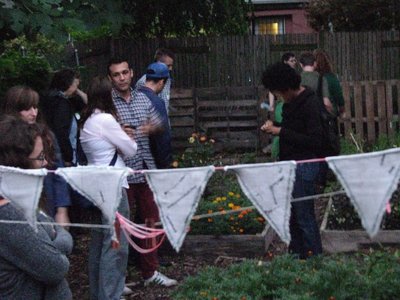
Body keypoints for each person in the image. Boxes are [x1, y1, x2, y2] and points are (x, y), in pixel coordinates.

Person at [109, 57, 178, 287]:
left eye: (125, 72)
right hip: (122, 174)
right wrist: (117, 132)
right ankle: (118, 279)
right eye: (116, 74)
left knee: (151, 221)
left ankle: (150, 272)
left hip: (146, 168)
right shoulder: (107, 103)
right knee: (120, 225)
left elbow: (160, 124)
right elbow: (94, 133)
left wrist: (152, 127)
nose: (121, 78)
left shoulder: (143, 97)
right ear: (111, 78)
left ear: (131, 73)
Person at [0, 115, 72, 299]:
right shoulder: (9, 214)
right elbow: (56, 268)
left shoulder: (20, 201)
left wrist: (54, 239)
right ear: (18, 163)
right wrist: (58, 237)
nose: (46, 163)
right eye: (40, 157)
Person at [79, 76, 138, 300]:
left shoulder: (87, 120)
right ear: (108, 95)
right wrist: (126, 136)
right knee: (116, 244)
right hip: (112, 186)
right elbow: (131, 150)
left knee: (98, 243)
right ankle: (111, 295)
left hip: (95, 186)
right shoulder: (105, 120)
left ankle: (98, 294)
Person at [261, 62, 323, 259]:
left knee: (304, 216)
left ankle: (315, 260)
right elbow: (294, 129)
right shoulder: (290, 103)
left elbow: (315, 140)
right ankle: (296, 256)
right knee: (292, 217)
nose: (278, 97)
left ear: (287, 88)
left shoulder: (310, 103)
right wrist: (276, 125)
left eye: (278, 93)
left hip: (305, 166)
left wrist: (280, 131)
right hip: (289, 165)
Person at [2, 85, 71, 225]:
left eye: (35, 107)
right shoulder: (4, 140)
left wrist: (62, 210)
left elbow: (58, 171)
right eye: (27, 108)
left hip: (47, 200)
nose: (34, 113)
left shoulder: (46, 135)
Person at [41, 68, 88, 167]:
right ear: (68, 84)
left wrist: (76, 90)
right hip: (63, 156)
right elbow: (61, 132)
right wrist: (68, 156)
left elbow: (86, 102)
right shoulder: (62, 104)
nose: (76, 89)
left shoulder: (50, 99)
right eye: (76, 85)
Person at [268, 52, 297, 160]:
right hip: (282, 105)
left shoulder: (295, 74)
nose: (294, 63)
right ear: (285, 62)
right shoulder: (280, 74)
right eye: (292, 60)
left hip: (293, 104)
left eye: (295, 60)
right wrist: (271, 104)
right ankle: (276, 154)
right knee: (281, 129)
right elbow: (271, 89)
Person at [135, 48, 175, 114]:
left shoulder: (167, 79)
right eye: (168, 66)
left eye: (171, 65)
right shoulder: (143, 82)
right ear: (158, 63)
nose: (171, 69)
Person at [314, 49, 345, 117]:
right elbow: (338, 96)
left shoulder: (311, 78)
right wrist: (341, 109)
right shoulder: (331, 78)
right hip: (329, 114)